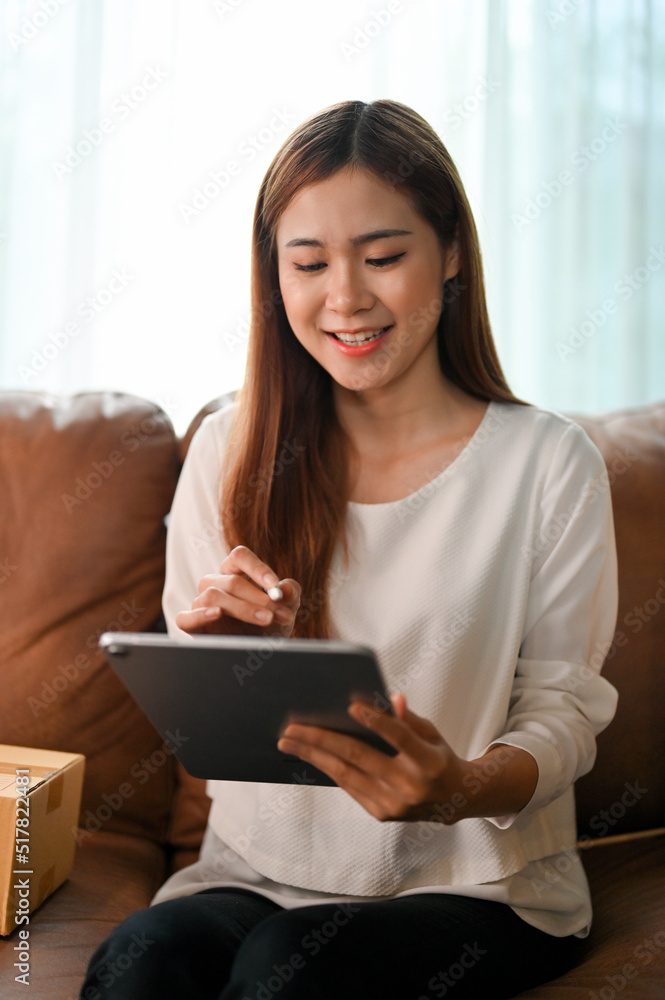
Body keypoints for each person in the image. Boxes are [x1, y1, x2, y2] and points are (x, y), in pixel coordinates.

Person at [78, 99, 619, 1000]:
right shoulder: (229, 446)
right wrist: (218, 664)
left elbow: (563, 716)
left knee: (289, 974)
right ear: (273, 278)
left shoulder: (546, 463)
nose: (345, 299)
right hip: (253, 874)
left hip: (477, 885)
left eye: (382, 257)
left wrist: (457, 784)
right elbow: (203, 735)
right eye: (308, 263)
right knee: (143, 963)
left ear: (449, 256)